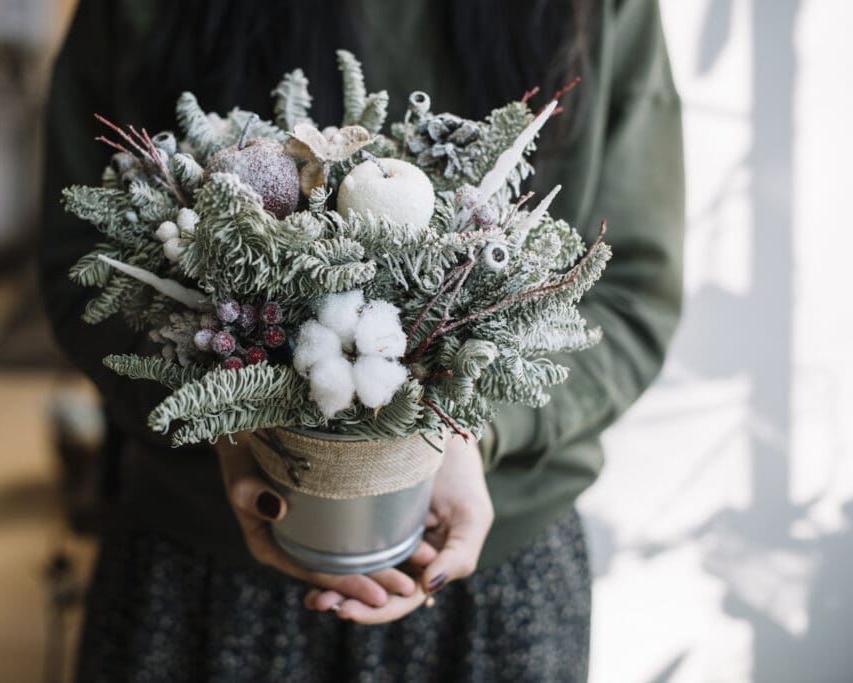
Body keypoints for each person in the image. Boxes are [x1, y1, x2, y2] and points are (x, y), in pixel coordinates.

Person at [38, 0, 684, 680]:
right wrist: (231, 421)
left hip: (489, 583)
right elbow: (82, 262)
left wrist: (467, 433)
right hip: (200, 567)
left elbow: (630, 293)